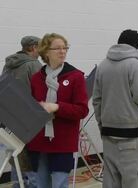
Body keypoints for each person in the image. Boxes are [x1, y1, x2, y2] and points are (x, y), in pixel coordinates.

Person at [92, 29, 138, 188]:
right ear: (136, 46)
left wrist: (102, 125)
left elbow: (97, 100)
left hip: (108, 132)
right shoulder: (134, 64)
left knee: (111, 179)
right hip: (130, 133)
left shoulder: (102, 65)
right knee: (134, 179)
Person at [27, 33, 89, 188]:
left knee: (59, 184)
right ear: (46, 52)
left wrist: (57, 107)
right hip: (39, 140)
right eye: (57, 48)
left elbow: (82, 110)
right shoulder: (36, 78)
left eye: (65, 48)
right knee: (41, 184)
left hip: (63, 141)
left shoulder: (76, 76)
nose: (62, 51)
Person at [2, 35, 42, 188]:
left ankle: (18, 184)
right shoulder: (34, 65)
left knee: (16, 152)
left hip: (8, 115)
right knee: (31, 154)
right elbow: (41, 92)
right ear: (33, 47)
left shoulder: (9, 64)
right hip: (28, 118)